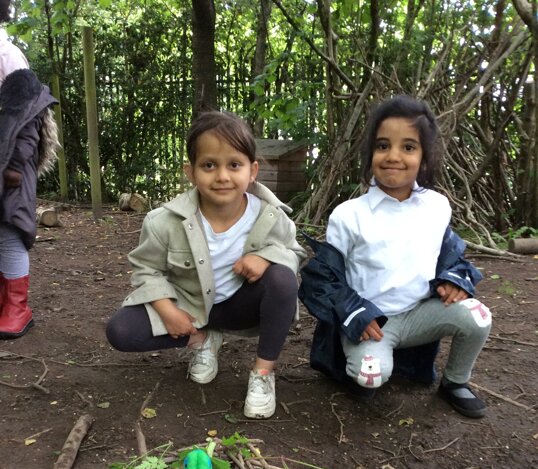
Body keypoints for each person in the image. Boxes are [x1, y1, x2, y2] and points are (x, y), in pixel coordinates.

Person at [299, 95, 491, 418]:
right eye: (383, 145)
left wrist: (453, 280)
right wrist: (355, 315)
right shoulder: (349, 215)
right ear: (370, 153)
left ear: (425, 156)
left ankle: (455, 381)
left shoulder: (437, 207)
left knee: (478, 316)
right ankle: (361, 360)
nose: (394, 156)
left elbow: (448, 255)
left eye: (408, 147)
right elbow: (325, 278)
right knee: (369, 376)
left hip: (420, 315)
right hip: (373, 323)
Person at [106, 110, 306, 418]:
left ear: (252, 170)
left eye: (234, 165)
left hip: (240, 306)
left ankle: (263, 373)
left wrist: (266, 257)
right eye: (209, 165)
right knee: (121, 331)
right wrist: (168, 311)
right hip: (190, 307)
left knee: (282, 279)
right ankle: (202, 339)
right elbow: (146, 269)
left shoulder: (270, 215)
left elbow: (294, 252)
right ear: (191, 171)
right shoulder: (163, 221)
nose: (222, 176)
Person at [0, 1, 59, 339]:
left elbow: (29, 116)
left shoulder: (7, 56)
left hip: (11, 165)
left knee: (10, 230)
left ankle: (17, 308)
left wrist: (15, 164)